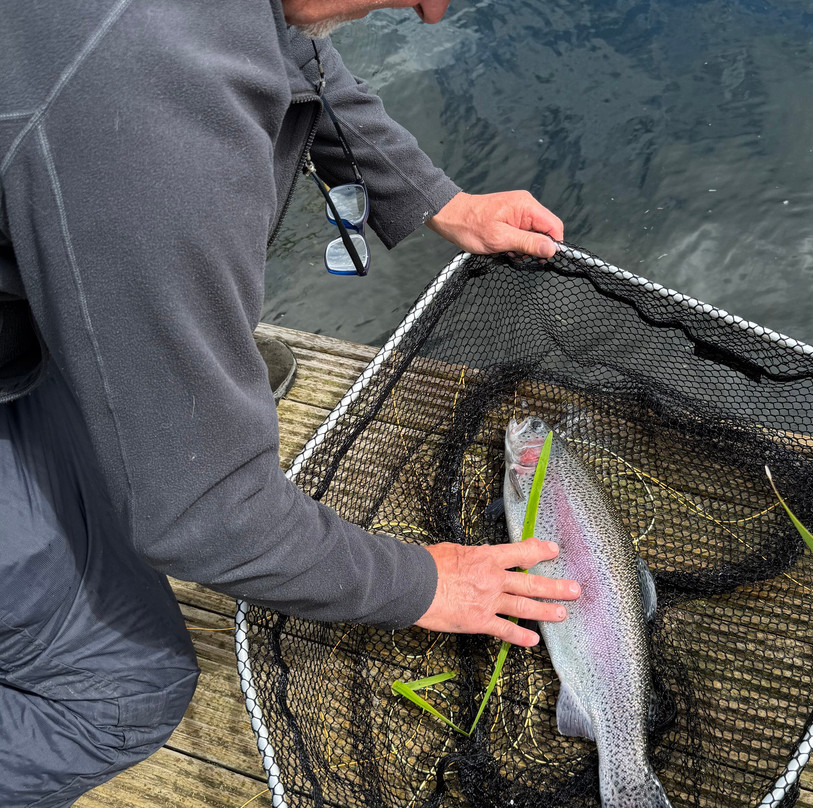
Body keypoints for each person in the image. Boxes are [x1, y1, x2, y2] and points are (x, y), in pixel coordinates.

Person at [0, 1, 580, 804]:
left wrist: (434, 196)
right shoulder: (159, 142)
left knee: (140, 439)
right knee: (124, 693)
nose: (434, 14)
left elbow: (290, 48)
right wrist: (424, 584)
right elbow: (202, 517)